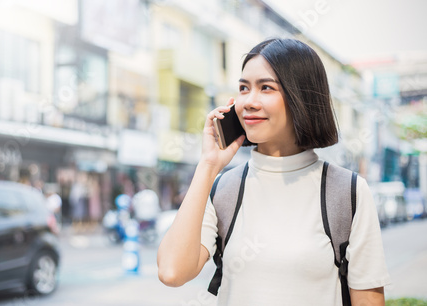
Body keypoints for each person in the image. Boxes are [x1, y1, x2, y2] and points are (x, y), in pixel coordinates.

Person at [157, 38, 390, 305]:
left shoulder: (346, 192)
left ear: (299, 96)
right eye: (244, 88)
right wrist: (208, 166)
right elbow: (172, 272)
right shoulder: (225, 188)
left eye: (266, 88)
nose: (249, 102)